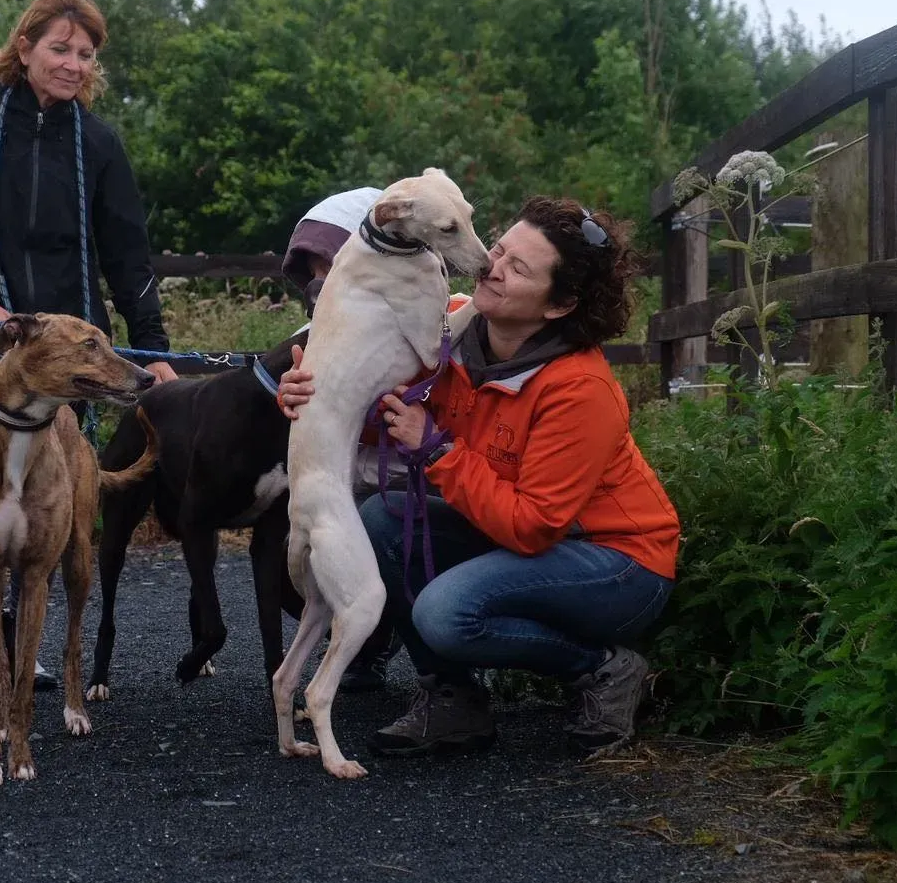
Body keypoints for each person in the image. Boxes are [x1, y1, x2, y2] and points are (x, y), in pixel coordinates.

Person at [277, 196, 679, 755]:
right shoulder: (454, 326)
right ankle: (452, 698)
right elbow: (370, 406)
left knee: (445, 612)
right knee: (378, 522)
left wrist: (438, 451)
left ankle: (606, 669)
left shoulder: (580, 390)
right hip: (522, 532)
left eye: (518, 268)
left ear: (559, 305)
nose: (492, 263)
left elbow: (534, 527)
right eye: (502, 247)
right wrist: (304, 395)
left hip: (615, 561)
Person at [0, 0, 177, 705]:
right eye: (58, 48)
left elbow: (128, 255)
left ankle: (17, 649)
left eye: (85, 54)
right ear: (23, 45)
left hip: (71, 360)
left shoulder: (99, 143)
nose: (72, 64)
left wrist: (150, 345)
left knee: (44, 495)